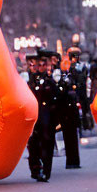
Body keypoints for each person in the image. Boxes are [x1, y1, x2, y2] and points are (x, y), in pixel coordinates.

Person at [27, 50, 61, 182]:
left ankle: (46, 171)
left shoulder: (49, 82)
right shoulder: (30, 82)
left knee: (47, 145)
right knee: (33, 145)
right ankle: (35, 169)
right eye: (36, 65)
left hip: (47, 118)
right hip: (35, 117)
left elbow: (56, 99)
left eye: (42, 65)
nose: (39, 67)